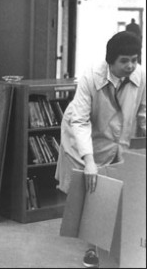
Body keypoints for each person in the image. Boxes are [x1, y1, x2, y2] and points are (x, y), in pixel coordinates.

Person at [55, 31, 145, 268]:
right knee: (93, 193)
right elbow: (81, 121)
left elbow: (144, 112)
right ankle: (93, 250)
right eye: (124, 60)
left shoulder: (141, 74)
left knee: (115, 191)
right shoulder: (90, 76)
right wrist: (89, 160)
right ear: (110, 61)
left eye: (134, 59)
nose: (131, 65)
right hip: (84, 137)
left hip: (116, 138)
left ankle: (110, 243)